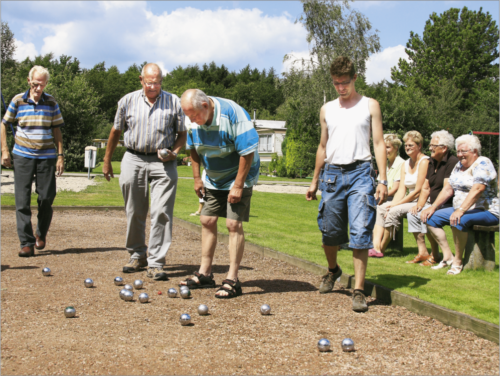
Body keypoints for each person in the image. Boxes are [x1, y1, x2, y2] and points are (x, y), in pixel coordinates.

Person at [305, 56, 388, 313]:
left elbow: (378, 144)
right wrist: (314, 179)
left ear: (354, 78)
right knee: (329, 232)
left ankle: (359, 290)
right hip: (331, 174)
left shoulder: (370, 106)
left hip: (361, 173)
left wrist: (383, 179)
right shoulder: (327, 109)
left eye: (345, 82)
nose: (341, 87)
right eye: (336, 83)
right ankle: (333, 271)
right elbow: (322, 146)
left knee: (361, 231)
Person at [102, 63, 187, 280]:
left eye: (157, 83)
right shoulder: (127, 100)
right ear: (141, 80)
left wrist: (174, 153)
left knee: (161, 212)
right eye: (149, 83)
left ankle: (156, 262)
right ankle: (137, 254)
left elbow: (182, 134)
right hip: (133, 157)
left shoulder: (173, 101)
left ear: (161, 81)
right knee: (134, 210)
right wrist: (107, 160)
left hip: (163, 162)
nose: (153, 87)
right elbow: (115, 131)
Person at [179, 89, 260, 299]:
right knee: (206, 219)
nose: (192, 121)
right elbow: (193, 150)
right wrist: (197, 179)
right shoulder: (193, 120)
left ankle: (233, 279)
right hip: (212, 177)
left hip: (240, 175)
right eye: (189, 116)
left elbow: (247, 151)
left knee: (233, 224)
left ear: (206, 106)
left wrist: (238, 185)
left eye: (195, 116)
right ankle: (205, 274)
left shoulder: (233, 113)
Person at [1, 65, 65, 257]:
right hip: (22, 155)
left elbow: (57, 130)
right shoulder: (17, 101)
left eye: (42, 84)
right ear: (29, 81)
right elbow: (4, 124)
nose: (38, 88)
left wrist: (60, 156)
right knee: (22, 200)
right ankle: (26, 243)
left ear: (46, 84)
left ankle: (40, 233)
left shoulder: (51, 102)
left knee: (46, 198)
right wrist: (4, 150)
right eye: (35, 84)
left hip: (46, 156)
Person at [421, 134, 499, 275]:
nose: (460, 154)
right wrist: (433, 207)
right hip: (461, 209)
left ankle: (457, 261)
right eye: (458, 151)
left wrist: (461, 209)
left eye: (463, 151)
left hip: (487, 210)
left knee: (459, 219)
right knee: (430, 217)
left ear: (474, 151)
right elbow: (448, 189)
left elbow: (478, 189)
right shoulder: (459, 165)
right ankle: (448, 256)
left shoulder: (483, 163)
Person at [370, 131, 430, 260]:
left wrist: (395, 205)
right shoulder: (406, 164)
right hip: (409, 200)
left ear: (419, 146)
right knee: (382, 208)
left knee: (393, 211)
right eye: (406, 145)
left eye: (411, 145)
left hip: (421, 201)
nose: (408, 148)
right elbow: (401, 190)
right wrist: (392, 204)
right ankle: (376, 247)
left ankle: (382, 248)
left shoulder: (424, 161)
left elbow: (418, 191)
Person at [406, 130, 459, 266]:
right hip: (433, 203)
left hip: (447, 204)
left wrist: (431, 207)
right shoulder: (431, 162)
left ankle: (436, 255)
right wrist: (420, 204)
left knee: (427, 215)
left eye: (434, 146)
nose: (430, 148)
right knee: (413, 214)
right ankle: (424, 252)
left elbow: (448, 189)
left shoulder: (452, 162)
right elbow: (425, 187)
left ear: (444, 148)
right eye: (430, 145)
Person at [368, 134, 405, 257]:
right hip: (386, 197)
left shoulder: (401, 164)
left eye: (387, 147)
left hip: (397, 198)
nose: (385, 150)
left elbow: (396, 189)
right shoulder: (386, 163)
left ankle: (376, 246)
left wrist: (379, 197)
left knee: (379, 208)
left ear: (395, 148)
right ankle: (368, 244)